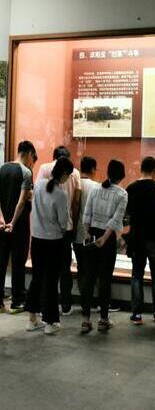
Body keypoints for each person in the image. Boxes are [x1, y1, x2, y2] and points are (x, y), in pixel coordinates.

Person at [25, 157, 74, 335]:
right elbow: (63, 222)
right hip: (53, 241)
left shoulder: (38, 185)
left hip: (36, 239)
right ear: (64, 174)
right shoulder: (61, 194)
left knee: (37, 278)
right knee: (51, 281)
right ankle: (50, 322)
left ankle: (32, 319)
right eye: (69, 175)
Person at [80, 160, 128, 333]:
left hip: (92, 234)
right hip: (107, 239)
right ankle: (103, 319)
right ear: (122, 175)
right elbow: (116, 220)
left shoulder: (95, 189)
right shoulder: (122, 194)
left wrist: (87, 234)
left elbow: (87, 214)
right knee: (105, 280)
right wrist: (104, 238)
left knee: (89, 278)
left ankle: (85, 320)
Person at [38, 146, 82, 316]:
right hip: (66, 228)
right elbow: (76, 201)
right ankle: (65, 304)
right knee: (65, 267)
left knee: (45, 267)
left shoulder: (44, 168)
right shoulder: (75, 173)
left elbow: (37, 195)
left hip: (43, 229)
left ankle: (44, 304)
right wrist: (74, 224)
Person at [126, 156, 155, 325]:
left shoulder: (131, 188)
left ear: (141, 169)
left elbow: (126, 214)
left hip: (137, 237)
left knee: (137, 275)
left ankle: (136, 314)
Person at [0, 140, 36, 314]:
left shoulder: (2, 168)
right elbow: (22, 201)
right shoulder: (26, 172)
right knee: (18, 263)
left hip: (1, 226)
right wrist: (13, 222)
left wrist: (1, 219)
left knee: (1, 261)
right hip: (19, 226)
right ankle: (17, 301)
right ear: (29, 154)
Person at [72, 156, 99, 310]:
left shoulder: (74, 184)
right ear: (93, 169)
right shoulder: (96, 187)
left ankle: (83, 299)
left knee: (81, 268)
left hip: (76, 233)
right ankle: (90, 301)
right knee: (92, 269)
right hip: (91, 234)